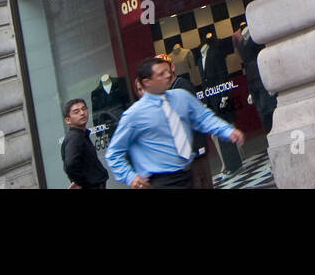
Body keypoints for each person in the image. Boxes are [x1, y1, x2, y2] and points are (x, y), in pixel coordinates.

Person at [105, 56, 246, 189]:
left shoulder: (181, 97)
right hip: (160, 181)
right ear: (147, 82)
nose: (167, 75)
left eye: (167, 71)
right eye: (161, 74)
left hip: (188, 173)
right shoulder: (134, 115)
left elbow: (204, 118)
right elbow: (113, 153)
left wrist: (228, 131)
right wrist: (131, 177)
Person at [61, 98, 108, 189]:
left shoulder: (81, 134)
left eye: (84, 109)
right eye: (76, 112)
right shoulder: (75, 137)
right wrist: (81, 182)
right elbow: (70, 164)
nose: (82, 113)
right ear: (68, 120)